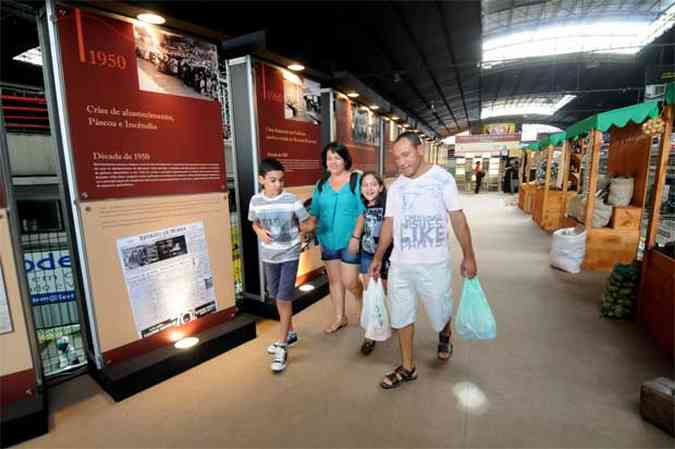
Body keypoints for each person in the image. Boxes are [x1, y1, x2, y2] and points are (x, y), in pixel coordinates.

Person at [369, 131, 478, 390]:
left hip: (434, 263)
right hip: (401, 265)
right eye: (397, 158)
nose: (402, 162)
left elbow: (457, 218)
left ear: (420, 150)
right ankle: (408, 367)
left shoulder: (442, 180)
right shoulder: (396, 187)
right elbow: (389, 223)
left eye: (406, 155)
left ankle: (445, 332)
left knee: (440, 312)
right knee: (402, 314)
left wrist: (469, 256)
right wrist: (378, 256)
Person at [248, 158, 314, 373]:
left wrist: (302, 229)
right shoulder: (255, 201)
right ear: (261, 180)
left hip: (290, 254)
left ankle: (283, 345)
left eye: (281, 180)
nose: (278, 184)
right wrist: (259, 232)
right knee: (276, 296)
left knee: (284, 298)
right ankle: (291, 334)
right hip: (269, 256)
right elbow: (254, 223)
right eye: (273, 180)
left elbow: (307, 223)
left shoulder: (291, 199)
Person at [309, 143, 365, 334]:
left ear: (345, 160)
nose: (333, 161)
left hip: (350, 239)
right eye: (329, 158)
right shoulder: (321, 184)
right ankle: (340, 317)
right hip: (327, 239)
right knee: (334, 281)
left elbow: (362, 211)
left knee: (350, 281)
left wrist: (356, 237)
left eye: (337, 157)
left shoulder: (356, 180)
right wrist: (306, 228)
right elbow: (314, 212)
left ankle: (360, 298)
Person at [348, 171, 392, 355]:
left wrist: (382, 258)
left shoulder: (388, 207)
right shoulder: (365, 208)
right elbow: (361, 221)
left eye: (373, 184)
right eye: (365, 185)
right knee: (370, 293)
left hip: (387, 257)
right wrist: (355, 238)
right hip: (367, 255)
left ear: (381, 187)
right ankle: (371, 335)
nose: (369, 188)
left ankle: (389, 321)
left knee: (385, 291)